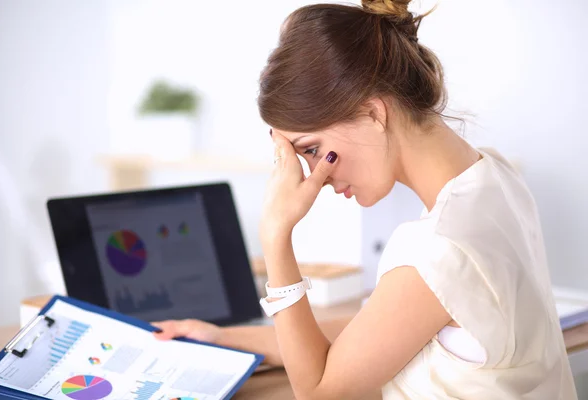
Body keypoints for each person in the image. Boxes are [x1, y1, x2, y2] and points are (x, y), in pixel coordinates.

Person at [152, 0, 578, 398]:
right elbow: (380, 330)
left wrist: (276, 234)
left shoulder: (436, 251)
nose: (317, 178)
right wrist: (223, 337)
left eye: (313, 149)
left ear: (374, 113)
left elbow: (318, 391)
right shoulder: (496, 177)